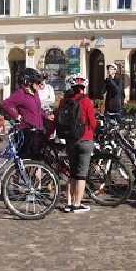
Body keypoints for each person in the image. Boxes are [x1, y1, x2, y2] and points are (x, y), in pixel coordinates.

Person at [46, 74, 96, 213]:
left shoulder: (64, 101)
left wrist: (46, 135)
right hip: (85, 139)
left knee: (72, 173)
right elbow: (93, 123)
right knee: (81, 174)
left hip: (70, 140)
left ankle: (68, 203)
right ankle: (77, 204)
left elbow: (56, 121)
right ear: (83, 87)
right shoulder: (87, 101)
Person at [0, 67, 52, 158]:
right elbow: (5, 104)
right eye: (37, 82)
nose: (39, 85)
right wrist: (16, 115)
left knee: (38, 158)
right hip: (26, 131)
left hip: (37, 129)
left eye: (40, 82)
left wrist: (46, 116)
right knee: (25, 159)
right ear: (29, 82)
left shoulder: (35, 93)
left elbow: (35, 111)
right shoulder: (21, 93)